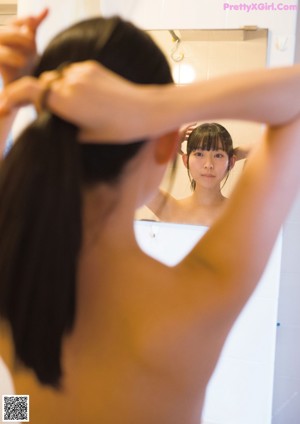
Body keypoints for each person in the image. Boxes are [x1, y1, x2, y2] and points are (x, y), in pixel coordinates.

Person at [1, 10, 300, 424]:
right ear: (167, 147)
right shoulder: (199, 293)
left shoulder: (13, 275)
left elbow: (18, 408)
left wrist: (15, 103)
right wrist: (158, 106)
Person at [140, 122, 241, 226]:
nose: (208, 164)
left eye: (218, 155)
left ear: (231, 162)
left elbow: (258, 148)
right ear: (186, 160)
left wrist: (232, 155)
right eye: (199, 154)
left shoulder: (241, 213)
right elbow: (134, 175)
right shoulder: (172, 209)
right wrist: (170, 144)